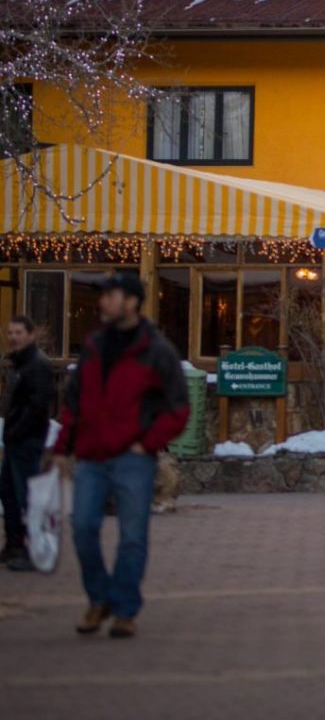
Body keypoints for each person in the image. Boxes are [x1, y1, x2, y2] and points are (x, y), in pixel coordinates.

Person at [51, 272, 188, 639]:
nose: (103, 303)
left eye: (110, 296)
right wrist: (62, 448)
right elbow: (74, 404)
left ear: (131, 301)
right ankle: (99, 599)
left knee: (132, 536)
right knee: (82, 528)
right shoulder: (94, 345)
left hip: (132, 460)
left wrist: (147, 443)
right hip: (91, 458)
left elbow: (178, 408)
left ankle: (125, 609)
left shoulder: (156, 351)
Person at [3, 316, 56, 571]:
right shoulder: (19, 364)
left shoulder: (37, 365)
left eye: (19, 332)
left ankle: (37, 550)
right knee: (9, 494)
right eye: (10, 332)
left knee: (29, 498)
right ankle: (14, 544)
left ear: (31, 335)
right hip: (15, 440)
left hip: (27, 440)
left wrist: (19, 431)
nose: (13, 336)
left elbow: (39, 405)